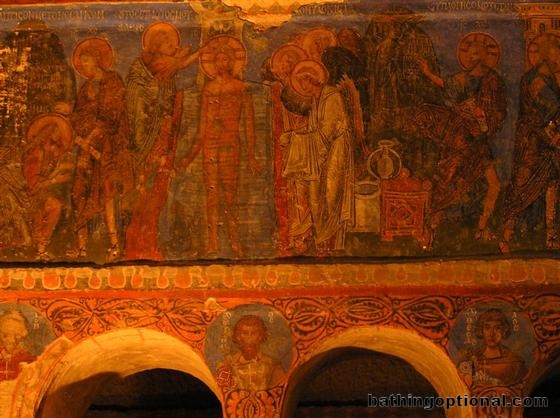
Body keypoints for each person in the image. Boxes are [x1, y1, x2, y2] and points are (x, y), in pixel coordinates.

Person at [417, 32, 507, 241]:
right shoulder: (462, 78)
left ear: (485, 56)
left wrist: (484, 117)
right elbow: (446, 85)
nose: (473, 57)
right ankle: (431, 226)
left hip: (479, 141)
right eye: (470, 53)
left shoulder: (493, 80)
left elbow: (498, 111)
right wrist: (428, 74)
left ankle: (482, 227)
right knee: (447, 183)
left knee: (494, 183)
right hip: (459, 139)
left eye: (478, 53)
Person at [125, 22, 202, 260]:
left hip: (162, 127)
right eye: (168, 42)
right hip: (150, 129)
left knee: (158, 185)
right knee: (148, 186)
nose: (173, 45)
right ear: (157, 45)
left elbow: (177, 61)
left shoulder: (160, 62)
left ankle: (152, 237)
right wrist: (201, 52)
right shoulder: (155, 62)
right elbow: (179, 64)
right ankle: (140, 240)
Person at [195, 35, 260, 257]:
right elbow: (202, 127)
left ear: (232, 62)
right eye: (218, 59)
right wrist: (190, 155)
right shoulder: (209, 89)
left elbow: (249, 125)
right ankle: (213, 241)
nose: (222, 63)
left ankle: (234, 240)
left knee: (230, 195)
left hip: (231, 145)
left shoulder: (241, 88)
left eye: (226, 59)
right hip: (210, 147)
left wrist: (251, 156)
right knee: (211, 194)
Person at [70, 37, 132, 262]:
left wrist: (90, 138)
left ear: (97, 59)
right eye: (81, 62)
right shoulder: (85, 87)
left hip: (107, 147)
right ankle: (81, 247)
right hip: (86, 148)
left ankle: (114, 244)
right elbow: (78, 115)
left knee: (107, 193)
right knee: (79, 191)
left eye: (86, 60)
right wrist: (73, 121)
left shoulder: (112, 81)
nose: (84, 65)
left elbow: (111, 115)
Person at [285, 60, 354, 254]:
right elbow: (313, 128)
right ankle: (320, 237)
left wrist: (300, 139)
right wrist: (293, 136)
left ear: (313, 79)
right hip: (320, 151)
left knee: (331, 190)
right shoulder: (316, 100)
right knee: (314, 192)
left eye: (304, 81)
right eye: (300, 82)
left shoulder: (332, 96)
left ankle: (330, 240)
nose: (302, 86)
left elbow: (328, 131)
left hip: (336, 148)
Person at [500, 34, 560, 253]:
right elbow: (553, 107)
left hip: (542, 139)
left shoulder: (541, 76)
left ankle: (550, 234)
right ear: (548, 56)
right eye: (557, 55)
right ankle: (507, 234)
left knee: (551, 182)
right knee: (523, 186)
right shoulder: (538, 80)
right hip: (534, 141)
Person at [23, 114, 74, 261]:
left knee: (61, 204)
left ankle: (42, 249)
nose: (59, 136)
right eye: (56, 132)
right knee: (54, 206)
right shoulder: (36, 153)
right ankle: (40, 249)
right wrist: (55, 178)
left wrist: (56, 175)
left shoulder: (50, 153)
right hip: (30, 193)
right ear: (48, 135)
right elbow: (34, 182)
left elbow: (65, 172)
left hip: (44, 191)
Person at [457, 308, 526, 387]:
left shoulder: (515, 362)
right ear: (481, 330)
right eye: (487, 328)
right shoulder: (471, 357)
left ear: (504, 331)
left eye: (497, 328)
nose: (492, 334)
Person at [217, 315, 286, 392]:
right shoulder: (227, 364)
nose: (249, 338)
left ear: (260, 336)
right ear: (238, 337)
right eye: (245, 333)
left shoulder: (272, 365)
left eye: (253, 333)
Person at [0, 310, 35, 381]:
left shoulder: (29, 359)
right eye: (5, 335)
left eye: (16, 336)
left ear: (23, 334)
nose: (11, 340)